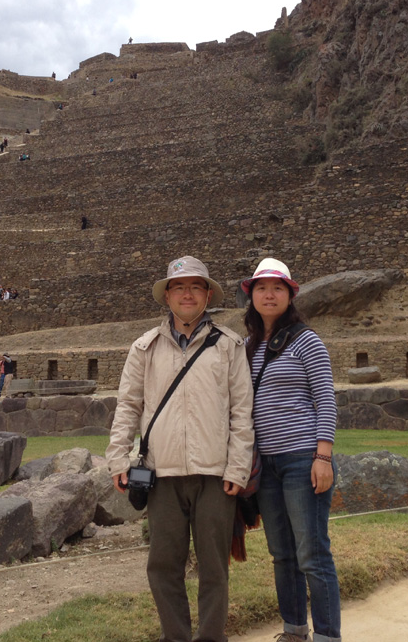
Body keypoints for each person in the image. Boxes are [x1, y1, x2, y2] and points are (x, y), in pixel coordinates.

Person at [106, 255, 254, 642]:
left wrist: (238, 468)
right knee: (163, 566)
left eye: (195, 287)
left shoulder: (229, 346)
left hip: (214, 474)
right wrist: (118, 459)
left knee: (213, 569)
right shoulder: (144, 348)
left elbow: (242, 413)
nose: (187, 294)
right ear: (167, 296)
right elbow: (128, 407)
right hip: (163, 474)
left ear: (207, 295)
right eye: (179, 287)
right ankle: (175, 636)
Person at [241, 258, 341, 642]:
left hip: (302, 458)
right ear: (251, 296)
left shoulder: (305, 340)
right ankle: (294, 630)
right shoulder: (250, 346)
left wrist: (323, 456)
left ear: (290, 294)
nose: (269, 294)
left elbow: (326, 400)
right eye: (262, 288)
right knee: (282, 554)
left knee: (312, 554)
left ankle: (328, 636)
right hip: (265, 463)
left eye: (277, 288)